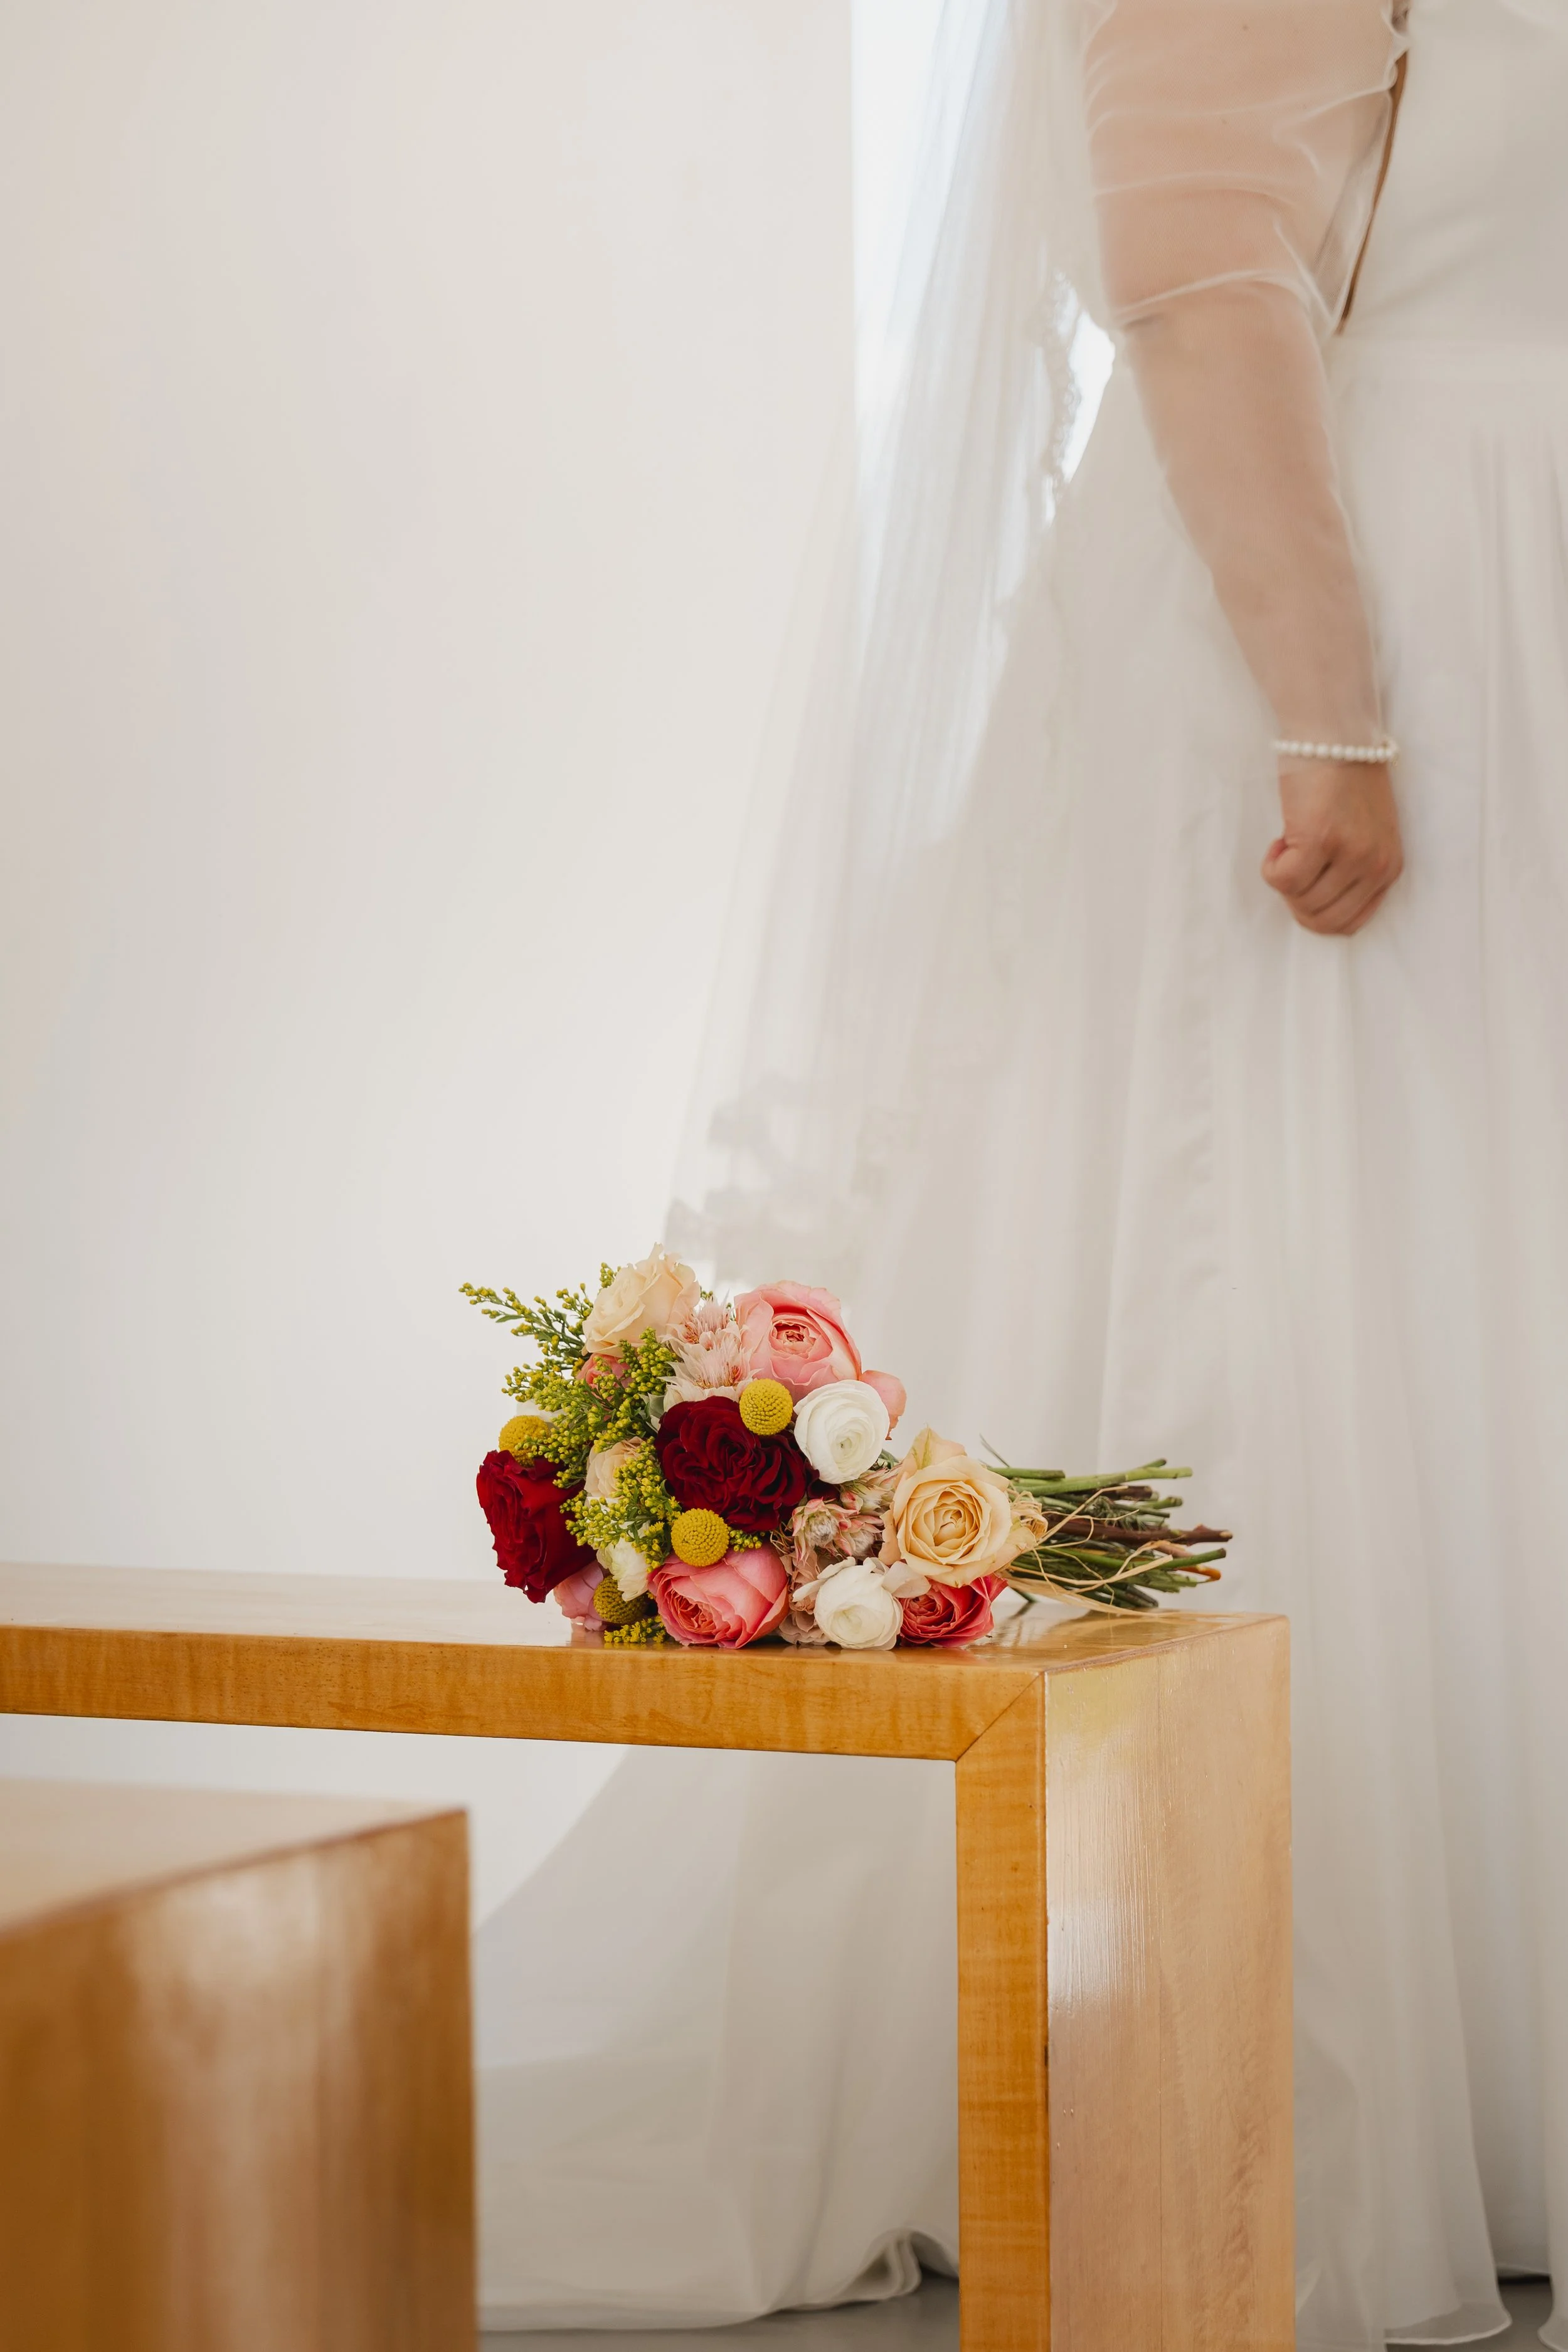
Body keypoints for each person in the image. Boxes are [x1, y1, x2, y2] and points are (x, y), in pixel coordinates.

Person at [479, 4, 1568, 2344]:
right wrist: (1331, 701)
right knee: (1306, 1284)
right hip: (1365, 629)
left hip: (1515, 595)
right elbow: (1198, 268)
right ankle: (1226, 2058)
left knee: (1498, 1311)